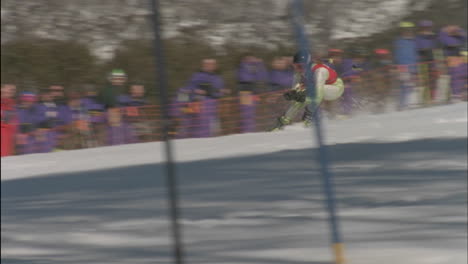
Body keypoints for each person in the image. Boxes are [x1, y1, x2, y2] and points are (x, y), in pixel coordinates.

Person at [270, 50, 344, 131]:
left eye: (300, 66)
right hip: (319, 89)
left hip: (336, 88)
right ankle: (281, 124)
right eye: (295, 66)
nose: (298, 69)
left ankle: (313, 119)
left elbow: (318, 94)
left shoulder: (319, 71)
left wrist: (309, 112)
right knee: (300, 97)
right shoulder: (298, 73)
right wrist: (293, 94)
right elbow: (297, 98)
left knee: (309, 94)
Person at [182, 58, 226, 137]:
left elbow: (219, 91)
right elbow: (187, 88)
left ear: (215, 66)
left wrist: (221, 92)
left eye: (212, 64)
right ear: (203, 65)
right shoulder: (197, 75)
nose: (209, 66)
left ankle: (209, 140)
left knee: (213, 126)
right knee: (197, 124)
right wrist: (195, 90)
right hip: (199, 102)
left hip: (213, 103)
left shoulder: (218, 78)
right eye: (207, 64)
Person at [237, 54, 268, 133]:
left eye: (253, 58)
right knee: (247, 113)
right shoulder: (242, 67)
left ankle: (252, 130)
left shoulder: (257, 66)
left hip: (255, 93)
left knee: (254, 113)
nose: (251, 60)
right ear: (245, 59)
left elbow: (262, 77)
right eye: (249, 58)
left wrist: (260, 64)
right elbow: (246, 78)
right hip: (245, 93)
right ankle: (247, 131)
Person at [393, 21, 419, 110]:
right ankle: (402, 104)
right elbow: (398, 56)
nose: (408, 32)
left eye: (410, 30)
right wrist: (398, 67)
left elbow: (415, 55)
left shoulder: (413, 42)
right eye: (406, 31)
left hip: (412, 67)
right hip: (403, 67)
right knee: (405, 85)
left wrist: (415, 69)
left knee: (410, 86)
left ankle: (404, 103)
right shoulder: (400, 42)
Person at [415, 20, 439, 104]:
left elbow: (436, 48)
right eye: (425, 28)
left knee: (433, 80)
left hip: (432, 61)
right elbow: (417, 48)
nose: (427, 30)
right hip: (423, 62)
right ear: (421, 28)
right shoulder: (418, 37)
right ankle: (425, 99)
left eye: (428, 28)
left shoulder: (434, 37)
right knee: (425, 81)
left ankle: (433, 98)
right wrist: (422, 52)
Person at [1, 84, 17, 157]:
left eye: (13, 90)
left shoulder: (12, 104)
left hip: (9, 134)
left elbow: (15, 120)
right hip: (3, 132)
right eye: (9, 89)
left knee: (8, 157)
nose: (11, 92)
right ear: (2, 89)